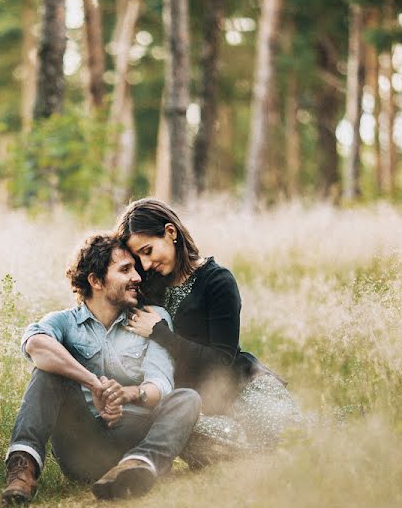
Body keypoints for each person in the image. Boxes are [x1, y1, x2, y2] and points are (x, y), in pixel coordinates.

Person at [2, 234, 202, 507]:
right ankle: (22, 472)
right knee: (46, 373)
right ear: (95, 281)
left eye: (135, 268)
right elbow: (36, 345)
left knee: (187, 398)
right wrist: (94, 384)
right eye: (125, 270)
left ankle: (137, 466)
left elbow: (162, 384)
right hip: (83, 447)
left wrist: (127, 394)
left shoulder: (152, 318)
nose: (138, 278)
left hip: (135, 439)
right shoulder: (63, 322)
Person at [115, 198, 302, 464]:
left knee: (289, 442)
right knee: (184, 434)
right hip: (193, 406)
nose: (144, 265)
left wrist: (160, 333)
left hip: (242, 388)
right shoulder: (148, 286)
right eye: (137, 258)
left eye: (148, 251)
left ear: (171, 232)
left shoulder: (217, 281)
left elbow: (220, 362)